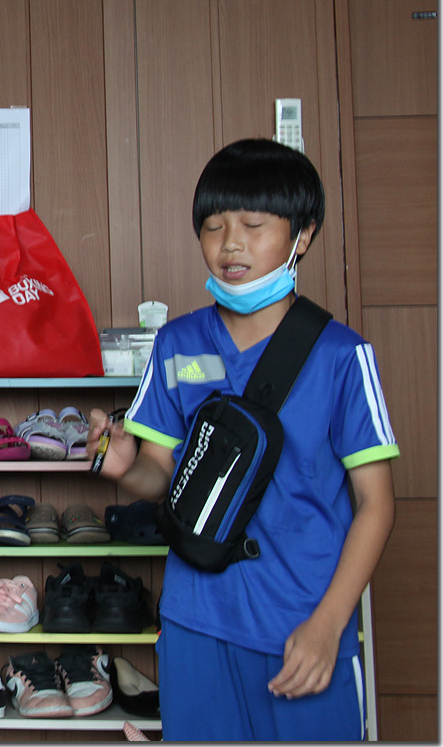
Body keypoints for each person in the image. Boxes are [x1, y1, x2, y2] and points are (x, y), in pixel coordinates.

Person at [86, 138, 398, 741]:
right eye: (214, 227)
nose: (230, 244)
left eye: (253, 226)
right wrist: (125, 466)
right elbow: (160, 475)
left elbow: (376, 505)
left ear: (302, 235)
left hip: (303, 626)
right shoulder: (176, 343)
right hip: (196, 621)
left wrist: (329, 624)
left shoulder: (342, 356)